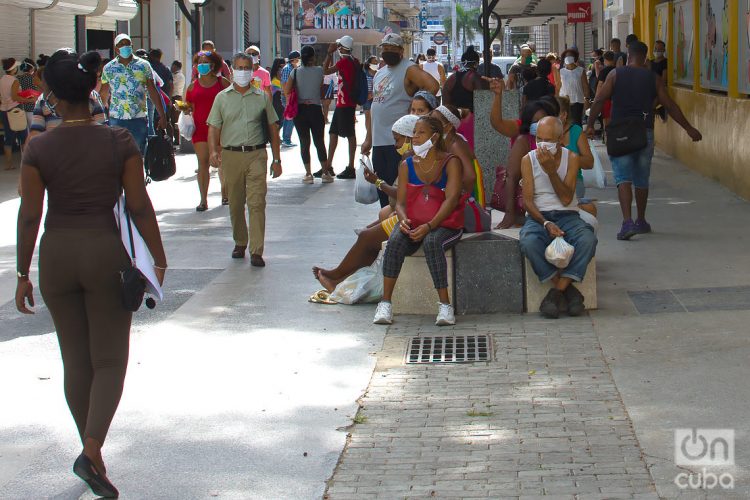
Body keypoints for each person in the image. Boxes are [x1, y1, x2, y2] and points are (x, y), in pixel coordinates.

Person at [15, 48, 166, 498]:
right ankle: (93, 448)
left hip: (56, 254)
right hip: (105, 252)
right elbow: (139, 205)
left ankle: (91, 453)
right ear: (93, 91)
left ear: (52, 98)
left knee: (75, 360)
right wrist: (156, 257)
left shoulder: (38, 146)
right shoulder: (118, 141)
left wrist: (22, 272)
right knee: (109, 360)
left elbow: (29, 215)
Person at [586, 41, 702, 240]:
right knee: (641, 178)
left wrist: (589, 125)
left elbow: (599, 100)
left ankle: (627, 222)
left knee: (623, 178)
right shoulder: (653, 78)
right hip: (644, 132)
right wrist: (689, 128)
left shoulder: (615, 74)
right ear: (645, 57)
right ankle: (640, 220)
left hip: (621, 132)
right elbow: (670, 105)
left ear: (627, 57)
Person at [312, 114, 420, 293]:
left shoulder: (411, 160)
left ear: (410, 137)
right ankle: (338, 278)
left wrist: (378, 182)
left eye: (398, 140)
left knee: (366, 238)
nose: (396, 145)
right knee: (367, 235)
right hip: (404, 214)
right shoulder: (409, 158)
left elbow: (401, 196)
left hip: (410, 218)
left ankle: (336, 277)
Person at [373, 116, 464, 326]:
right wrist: (403, 221)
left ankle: (445, 306)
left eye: (420, 133)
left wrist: (430, 226)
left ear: (434, 136)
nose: (414, 137)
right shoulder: (406, 165)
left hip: (444, 223)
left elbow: (450, 201)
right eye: (414, 132)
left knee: (433, 242)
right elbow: (401, 203)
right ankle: (385, 302)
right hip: (414, 220)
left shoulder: (451, 162)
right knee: (395, 241)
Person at [207, 52, 282, 266]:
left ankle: (257, 250)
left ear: (252, 70)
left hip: (257, 154)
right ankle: (240, 241)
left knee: (257, 202)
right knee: (236, 203)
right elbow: (213, 127)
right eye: (238, 68)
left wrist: (277, 159)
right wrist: (213, 151)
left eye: (246, 68)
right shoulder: (222, 98)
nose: (242, 72)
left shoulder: (262, 98)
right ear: (232, 70)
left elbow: (273, 129)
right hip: (230, 155)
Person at [518, 116, 597, 318]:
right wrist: (545, 223)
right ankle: (568, 290)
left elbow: (565, 198)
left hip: (568, 214)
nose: (542, 145)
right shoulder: (528, 159)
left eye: (548, 140)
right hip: (539, 216)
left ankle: (556, 292)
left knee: (587, 239)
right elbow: (528, 201)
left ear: (561, 139)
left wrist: (552, 172)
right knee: (528, 242)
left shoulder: (572, 158)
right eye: (539, 139)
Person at [361, 33, 440, 207]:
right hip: (379, 141)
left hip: (399, 142)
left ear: (401, 50)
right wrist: (369, 137)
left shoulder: (409, 68)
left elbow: (433, 86)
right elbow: (375, 106)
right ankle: (386, 225)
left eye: (392, 48)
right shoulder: (379, 73)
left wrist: (416, 109)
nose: (388, 51)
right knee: (382, 188)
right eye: (385, 48)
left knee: (397, 190)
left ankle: (397, 225)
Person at [495, 99, 559, 229]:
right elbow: (511, 177)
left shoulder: (557, 142)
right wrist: (509, 214)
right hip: (530, 205)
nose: (540, 125)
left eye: (543, 120)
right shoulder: (523, 141)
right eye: (535, 122)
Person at [100, 34, 169, 155]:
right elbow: (104, 92)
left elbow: (152, 90)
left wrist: (162, 115)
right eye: (121, 44)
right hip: (117, 119)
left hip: (138, 118)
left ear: (132, 46)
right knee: (119, 154)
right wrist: (100, 116)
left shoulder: (143, 65)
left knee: (137, 154)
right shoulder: (109, 68)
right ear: (116, 49)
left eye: (127, 44)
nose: (125, 46)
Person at [185, 50, 231, 211]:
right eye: (199, 63)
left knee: (222, 163)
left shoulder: (223, 83)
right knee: (202, 163)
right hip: (200, 129)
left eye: (206, 62)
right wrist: (184, 109)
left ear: (214, 65)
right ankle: (203, 200)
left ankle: (225, 194)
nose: (202, 65)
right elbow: (188, 105)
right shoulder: (192, 86)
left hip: (221, 129)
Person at [283, 45, 329, 185]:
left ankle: (308, 174)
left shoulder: (295, 72)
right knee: (319, 142)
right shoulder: (319, 71)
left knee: (304, 142)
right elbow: (320, 84)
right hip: (315, 109)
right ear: (313, 57)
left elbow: (286, 89)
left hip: (300, 111)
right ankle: (325, 173)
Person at [323, 36, 359, 180]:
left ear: (341, 47)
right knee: (334, 133)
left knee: (349, 135)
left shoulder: (343, 62)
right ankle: (328, 165)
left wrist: (329, 53)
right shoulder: (355, 61)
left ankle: (350, 167)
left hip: (345, 104)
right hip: (347, 103)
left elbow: (325, 71)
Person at [442, 46, 485, 149]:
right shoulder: (475, 77)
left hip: (453, 123)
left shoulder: (451, 79)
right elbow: (483, 103)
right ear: (476, 63)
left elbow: (445, 106)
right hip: (472, 123)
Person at [556, 96, 594, 199]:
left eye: (555, 115)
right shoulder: (544, 131)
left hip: (574, 181)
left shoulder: (576, 131)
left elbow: (589, 163)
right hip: (549, 181)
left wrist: (565, 155)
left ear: (564, 115)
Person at [1, 58, 36, 170]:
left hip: (4, 110)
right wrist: (30, 100)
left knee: (8, 136)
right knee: (23, 136)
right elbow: (15, 97)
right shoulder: (14, 81)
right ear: (13, 69)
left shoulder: (1, 79)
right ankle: (26, 163)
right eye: (15, 67)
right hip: (15, 110)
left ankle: (8, 163)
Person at [557, 48, 589, 125]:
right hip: (564, 100)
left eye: (570, 56)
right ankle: (565, 137)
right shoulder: (561, 71)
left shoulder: (580, 70)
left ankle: (576, 137)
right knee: (564, 121)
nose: (568, 58)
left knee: (576, 122)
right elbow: (558, 85)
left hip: (577, 100)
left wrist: (587, 99)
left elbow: (585, 85)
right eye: (566, 56)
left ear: (575, 58)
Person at [280, 51, 300, 148]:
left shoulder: (293, 68)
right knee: (290, 118)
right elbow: (284, 84)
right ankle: (286, 139)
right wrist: (288, 98)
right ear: (294, 59)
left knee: (288, 118)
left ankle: (286, 139)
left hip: (291, 96)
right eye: (298, 59)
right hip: (288, 96)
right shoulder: (288, 69)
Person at [17, 59, 42, 128]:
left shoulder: (17, 79)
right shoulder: (34, 79)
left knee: (24, 132)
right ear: (32, 68)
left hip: (21, 109)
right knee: (33, 131)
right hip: (32, 109)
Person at [170, 60, 186, 145]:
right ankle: (174, 139)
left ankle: (177, 140)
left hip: (177, 98)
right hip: (176, 98)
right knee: (172, 120)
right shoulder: (174, 75)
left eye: (173, 66)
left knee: (176, 120)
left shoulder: (179, 76)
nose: (171, 68)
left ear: (176, 67)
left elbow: (171, 85)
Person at [363, 55, 378, 139]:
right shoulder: (365, 73)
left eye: (376, 61)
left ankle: (374, 133)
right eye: (374, 61)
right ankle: (369, 134)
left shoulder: (378, 73)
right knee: (367, 116)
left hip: (376, 97)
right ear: (369, 63)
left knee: (375, 117)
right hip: (366, 98)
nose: (376, 63)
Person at [270, 57, 286, 129]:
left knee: (277, 117)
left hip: (274, 94)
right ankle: (276, 135)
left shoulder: (273, 72)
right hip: (279, 94)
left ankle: (276, 135)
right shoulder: (281, 71)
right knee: (280, 117)